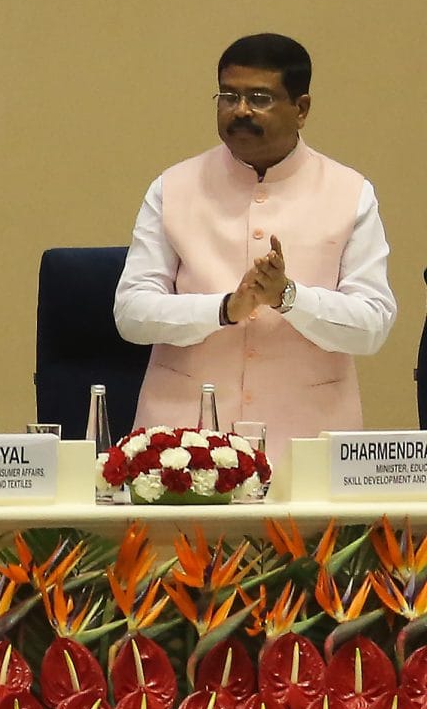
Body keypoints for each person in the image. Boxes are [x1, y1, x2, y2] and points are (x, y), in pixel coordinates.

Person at [113, 34, 396, 441]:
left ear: (301, 108)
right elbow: (132, 313)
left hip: (308, 438)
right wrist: (225, 308)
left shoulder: (351, 193)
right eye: (228, 96)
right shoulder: (172, 187)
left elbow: (372, 324)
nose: (240, 110)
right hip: (185, 441)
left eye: (259, 98)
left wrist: (289, 298)